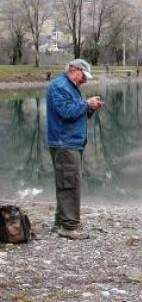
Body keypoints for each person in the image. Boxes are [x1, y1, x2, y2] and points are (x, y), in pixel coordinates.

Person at [47, 59, 104, 240]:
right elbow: (65, 112)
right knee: (70, 184)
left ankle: (61, 223)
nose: (85, 80)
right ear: (74, 70)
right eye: (84, 76)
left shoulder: (72, 88)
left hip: (72, 143)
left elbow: (77, 115)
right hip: (64, 143)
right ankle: (69, 227)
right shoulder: (59, 86)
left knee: (66, 182)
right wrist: (86, 104)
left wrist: (91, 108)